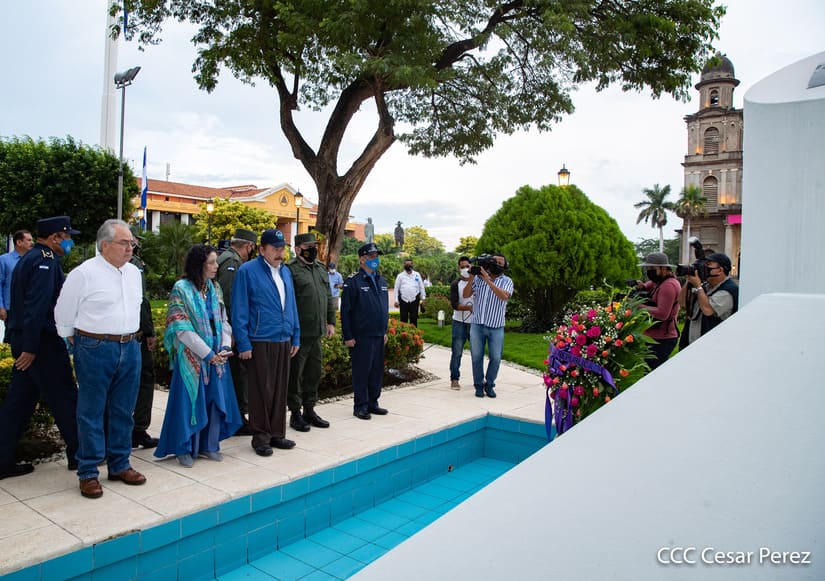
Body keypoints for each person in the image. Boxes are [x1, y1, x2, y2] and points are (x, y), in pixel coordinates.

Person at [55, 219, 146, 499]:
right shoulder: (84, 273)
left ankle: (120, 464)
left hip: (130, 346)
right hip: (95, 347)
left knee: (123, 410)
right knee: (91, 411)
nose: (130, 248)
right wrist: (70, 336)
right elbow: (63, 310)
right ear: (105, 245)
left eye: (132, 243)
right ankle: (88, 472)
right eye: (124, 243)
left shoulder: (134, 273)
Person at [0, 217, 79, 480]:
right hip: (40, 343)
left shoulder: (31, 258)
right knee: (64, 396)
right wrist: (31, 347)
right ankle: (80, 454)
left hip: (26, 339)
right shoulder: (45, 261)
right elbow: (37, 307)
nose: (70, 242)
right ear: (56, 237)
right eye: (67, 237)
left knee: (20, 402)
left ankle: (2, 460)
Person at [155, 245, 243, 467]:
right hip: (191, 357)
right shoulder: (181, 289)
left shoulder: (215, 288)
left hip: (216, 356)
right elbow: (182, 329)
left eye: (215, 262)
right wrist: (207, 354)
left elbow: (223, 320)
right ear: (198, 265)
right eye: (211, 263)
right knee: (188, 403)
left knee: (214, 401)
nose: (216, 266)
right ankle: (184, 447)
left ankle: (208, 444)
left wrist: (224, 346)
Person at [231, 228, 301, 457]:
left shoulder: (285, 272)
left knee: (280, 389)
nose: (280, 253)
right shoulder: (247, 271)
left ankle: (277, 434)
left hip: (283, 338)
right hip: (260, 339)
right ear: (261, 250)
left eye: (282, 249)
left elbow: (291, 305)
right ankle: (260, 437)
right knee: (262, 391)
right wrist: (243, 343)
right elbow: (239, 308)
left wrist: (295, 335)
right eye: (275, 249)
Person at [286, 233, 336, 432]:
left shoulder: (320, 268)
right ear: (298, 249)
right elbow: (287, 302)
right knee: (295, 375)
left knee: (313, 374)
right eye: (308, 247)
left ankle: (309, 409)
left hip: (317, 332)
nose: (313, 249)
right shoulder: (290, 270)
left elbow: (328, 296)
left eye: (314, 246)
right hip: (299, 334)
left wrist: (331, 321)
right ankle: (295, 413)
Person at [341, 242, 389, 420]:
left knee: (376, 372)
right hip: (362, 336)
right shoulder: (353, 282)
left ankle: (372, 403)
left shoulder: (381, 281)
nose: (375, 259)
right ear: (362, 259)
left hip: (378, 335)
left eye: (376, 256)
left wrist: (384, 330)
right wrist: (348, 336)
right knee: (362, 372)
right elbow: (346, 311)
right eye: (371, 256)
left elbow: (383, 308)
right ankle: (360, 406)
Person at [217, 228, 258, 434]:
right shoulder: (232, 263)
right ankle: (238, 418)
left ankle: (237, 416)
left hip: (231, 328)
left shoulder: (228, 258)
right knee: (238, 374)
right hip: (232, 330)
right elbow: (230, 298)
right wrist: (234, 332)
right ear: (248, 246)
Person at [463, 254, 514, 398]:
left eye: (500, 262)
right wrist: (472, 276)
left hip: (496, 326)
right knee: (476, 357)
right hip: (477, 324)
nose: (497, 264)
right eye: (494, 261)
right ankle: (478, 385)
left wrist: (488, 280)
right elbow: (466, 294)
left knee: (496, 358)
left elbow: (504, 296)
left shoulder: (507, 281)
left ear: (505, 266)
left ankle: (490, 384)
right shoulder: (478, 279)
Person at [129, 230, 160, 449]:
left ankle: (135, 430)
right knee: (144, 379)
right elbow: (140, 300)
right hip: (135, 333)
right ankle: (137, 430)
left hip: (131, 332)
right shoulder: (133, 263)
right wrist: (148, 331)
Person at [678, 252, 739, 347]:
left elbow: (708, 310)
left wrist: (698, 286)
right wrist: (689, 281)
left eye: (708, 265)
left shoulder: (729, 290)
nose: (704, 268)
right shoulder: (705, 287)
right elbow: (682, 302)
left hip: (713, 346)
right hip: (691, 343)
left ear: (720, 270)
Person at [633, 252, 681, 370]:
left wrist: (638, 306)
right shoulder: (659, 282)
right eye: (647, 269)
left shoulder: (668, 285)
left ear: (663, 268)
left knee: (653, 371)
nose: (649, 272)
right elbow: (648, 285)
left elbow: (662, 314)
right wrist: (642, 287)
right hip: (655, 335)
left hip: (662, 339)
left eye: (652, 269)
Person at [0, 229, 34, 341]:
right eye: (28, 240)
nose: (32, 243)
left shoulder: (33, 260)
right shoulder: (4, 260)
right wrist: (1, 306)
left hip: (29, 307)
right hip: (11, 308)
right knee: (11, 339)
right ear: (19, 242)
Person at [448, 256, 474, 389]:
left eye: (467, 266)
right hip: (458, 321)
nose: (465, 269)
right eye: (462, 267)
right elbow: (454, 304)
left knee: (477, 353)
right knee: (457, 352)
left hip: (475, 323)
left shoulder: (478, 282)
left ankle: (479, 379)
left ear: (471, 266)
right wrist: (469, 308)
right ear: (459, 268)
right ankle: (454, 378)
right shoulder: (455, 284)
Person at [394, 258, 426, 327]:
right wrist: (396, 300)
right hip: (403, 300)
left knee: (414, 319)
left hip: (414, 300)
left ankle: (414, 333)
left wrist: (423, 298)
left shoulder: (417, 274)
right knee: (403, 319)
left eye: (410, 264)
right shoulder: (400, 276)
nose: (408, 265)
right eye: (407, 264)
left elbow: (421, 287)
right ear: (404, 265)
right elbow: (396, 289)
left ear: (412, 265)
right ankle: (403, 333)